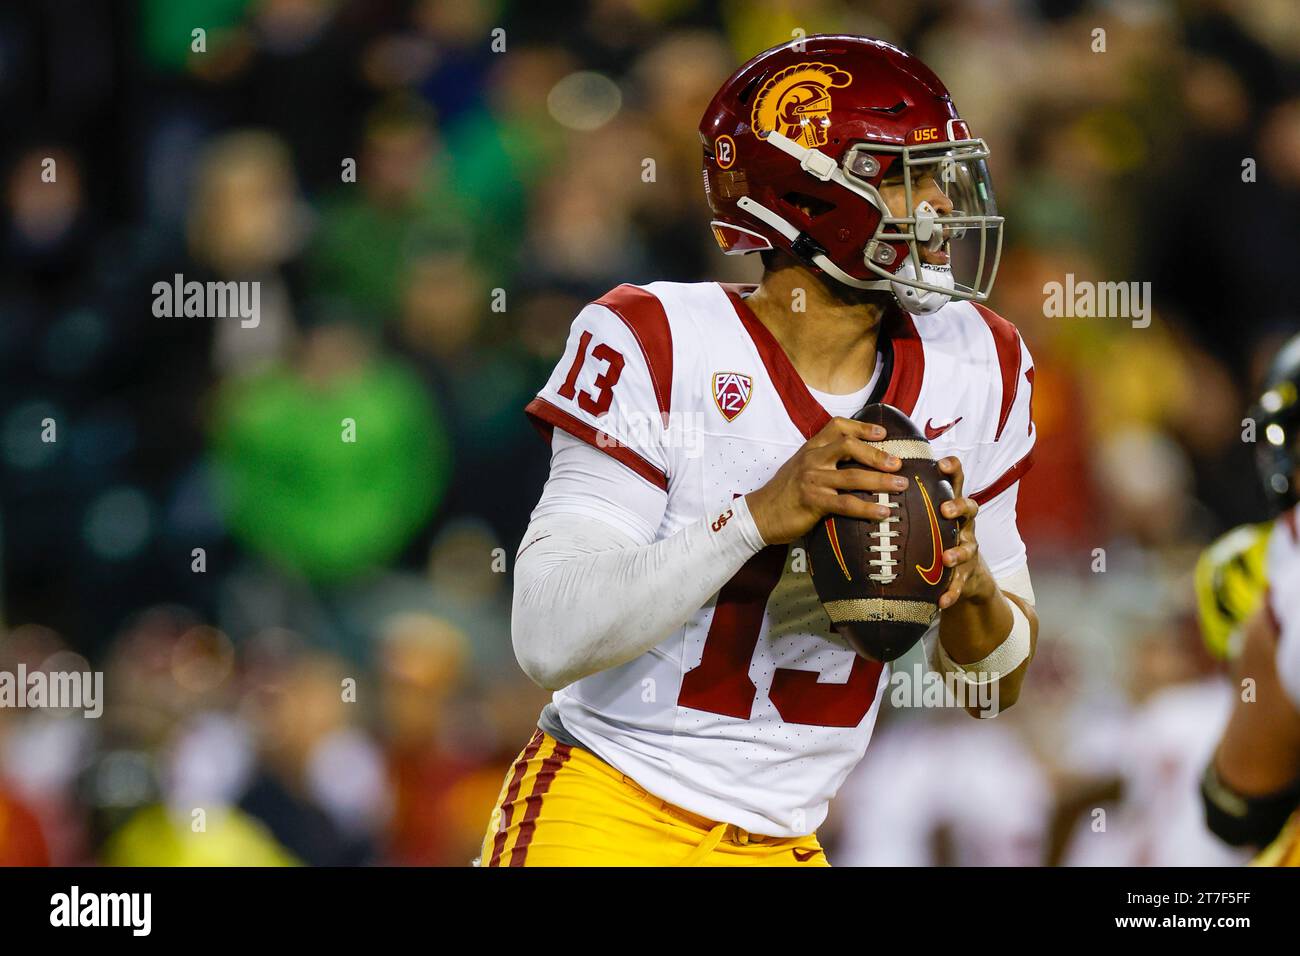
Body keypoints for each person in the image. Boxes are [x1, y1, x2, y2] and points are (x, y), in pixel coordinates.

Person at [482, 35, 1039, 867]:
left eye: (939, 173)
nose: (939, 206)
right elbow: (547, 637)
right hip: (609, 808)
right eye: (902, 174)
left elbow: (992, 693)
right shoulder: (657, 338)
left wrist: (973, 591)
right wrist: (756, 519)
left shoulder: (978, 360)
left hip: (787, 840)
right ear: (807, 195)